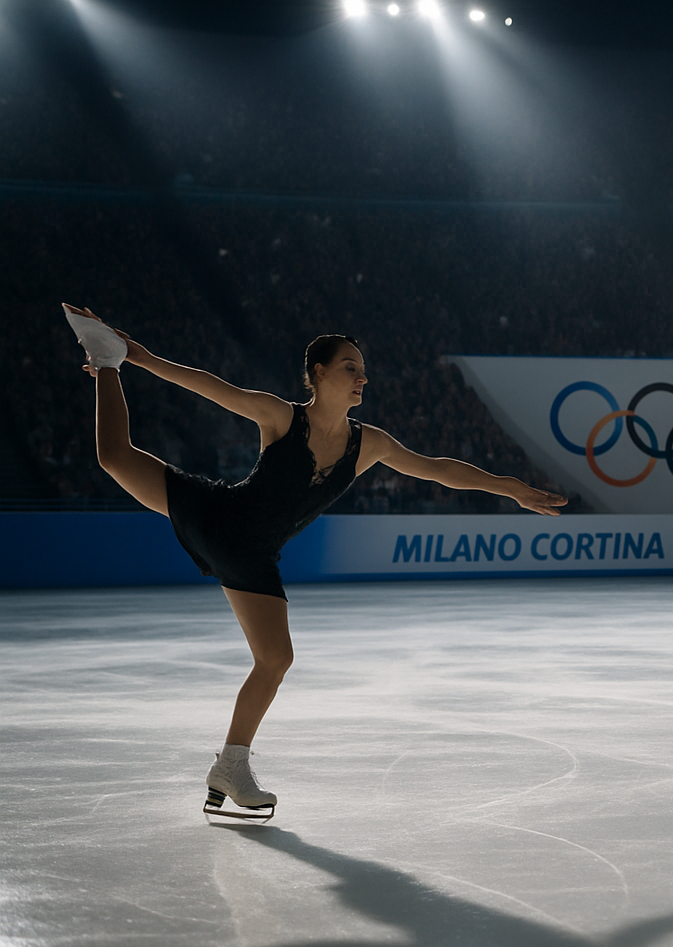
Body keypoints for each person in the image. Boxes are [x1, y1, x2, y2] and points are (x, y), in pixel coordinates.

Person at [63, 304, 566, 818]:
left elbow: (435, 469)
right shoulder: (281, 417)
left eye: (363, 369)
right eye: (351, 366)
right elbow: (212, 388)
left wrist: (507, 487)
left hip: (254, 555)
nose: (362, 377)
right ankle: (105, 361)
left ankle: (230, 765)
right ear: (319, 373)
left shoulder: (368, 444)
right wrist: (136, 357)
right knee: (114, 456)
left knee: (276, 659)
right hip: (218, 515)